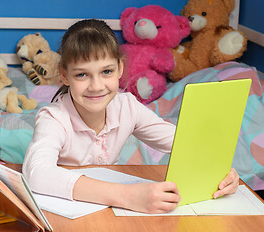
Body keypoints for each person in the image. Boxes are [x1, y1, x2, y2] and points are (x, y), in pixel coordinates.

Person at [22, 19, 239, 214]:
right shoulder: (54, 118)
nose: (96, 86)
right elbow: (37, 174)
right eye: (82, 74)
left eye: (106, 71)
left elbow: (182, 141)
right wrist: (128, 196)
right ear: (64, 75)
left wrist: (221, 171)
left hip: (110, 212)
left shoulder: (126, 106)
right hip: (64, 215)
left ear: (119, 69)